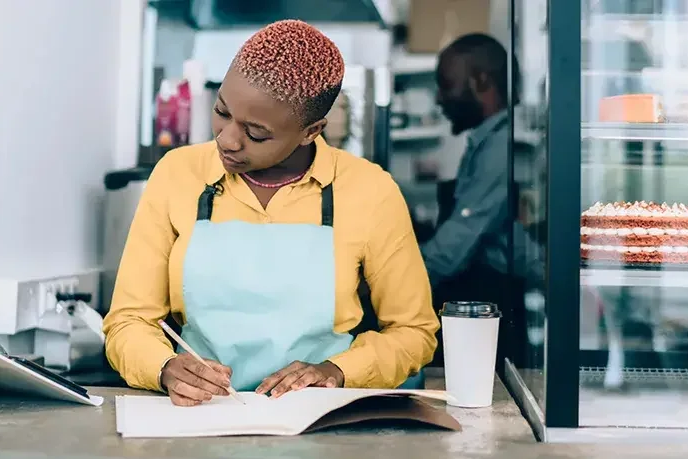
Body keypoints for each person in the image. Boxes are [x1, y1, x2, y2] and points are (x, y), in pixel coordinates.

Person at [102, 20, 439, 406]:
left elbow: (414, 332)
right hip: (199, 418)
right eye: (221, 112)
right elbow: (127, 322)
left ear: (311, 131)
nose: (226, 139)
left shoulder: (370, 191)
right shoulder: (177, 175)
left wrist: (336, 372)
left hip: (318, 426)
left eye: (256, 133)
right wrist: (163, 367)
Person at [420, 33, 535, 365]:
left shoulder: (501, 148)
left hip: (493, 302)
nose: (440, 98)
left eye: (446, 84)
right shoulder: (486, 143)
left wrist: (393, 284)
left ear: (481, 81)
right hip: (483, 298)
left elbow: (455, 247)